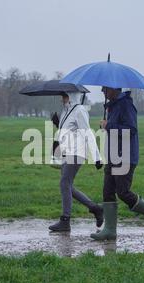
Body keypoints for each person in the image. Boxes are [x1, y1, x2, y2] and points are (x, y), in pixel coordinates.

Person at [91, 87, 144, 241]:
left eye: (105, 89)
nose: (102, 91)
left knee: (123, 192)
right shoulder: (113, 105)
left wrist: (108, 126)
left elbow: (131, 129)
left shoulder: (126, 105)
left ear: (114, 88)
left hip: (125, 156)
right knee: (107, 192)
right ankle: (110, 230)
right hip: (112, 156)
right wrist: (106, 126)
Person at [49, 92, 104, 232]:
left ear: (71, 96)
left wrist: (97, 157)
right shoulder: (66, 111)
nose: (62, 99)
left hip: (77, 152)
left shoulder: (80, 110)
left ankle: (65, 221)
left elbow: (88, 133)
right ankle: (95, 208)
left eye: (64, 96)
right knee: (68, 186)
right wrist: (58, 124)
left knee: (64, 183)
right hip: (67, 151)